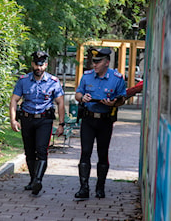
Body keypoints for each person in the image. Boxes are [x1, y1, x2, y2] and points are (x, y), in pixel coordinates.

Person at [9, 51, 65, 196]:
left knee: (41, 150)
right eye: (36, 64)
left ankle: (38, 180)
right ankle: (33, 179)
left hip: (44, 120)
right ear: (32, 64)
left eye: (41, 65)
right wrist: (13, 120)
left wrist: (61, 123)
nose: (38, 68)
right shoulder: (23, 80)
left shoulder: (53, 81)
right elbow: (14, 100)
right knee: (29, 151)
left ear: (45, 65)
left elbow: (60, 103)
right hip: (27, 119)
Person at [74, 48, 127, 199]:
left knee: (102, 154)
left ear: (107, 63)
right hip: (88, 119)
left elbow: (122, 99)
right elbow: (78, 93)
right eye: (94, 62)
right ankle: (84, 187)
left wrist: (113, 103)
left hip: (105, 120)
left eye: (98, 62)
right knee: (85, 152)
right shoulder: (87, 76)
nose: (95, 65)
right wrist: (82, 98)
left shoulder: (117, 78)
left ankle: (100, 187)